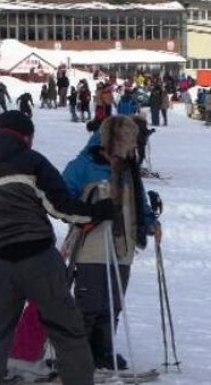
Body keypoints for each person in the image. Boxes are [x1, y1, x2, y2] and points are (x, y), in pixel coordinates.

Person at [0, 111, 115, 385]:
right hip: (38, 261)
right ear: (27, 136)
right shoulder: (32, 161)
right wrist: (97, 211)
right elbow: (62, 208)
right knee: (66, 332)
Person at [62, 116, 160, 371]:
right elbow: (62, 199)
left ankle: (103, 352)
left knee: (112, 303)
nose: (133, 148)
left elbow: (139, 201)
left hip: (122, 246)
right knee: (89, 304)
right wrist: (88, 212)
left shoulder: (128, 168)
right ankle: (77, 357)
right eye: (129, 142)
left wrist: (150, 222)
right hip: (90, 245)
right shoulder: (83, 165)